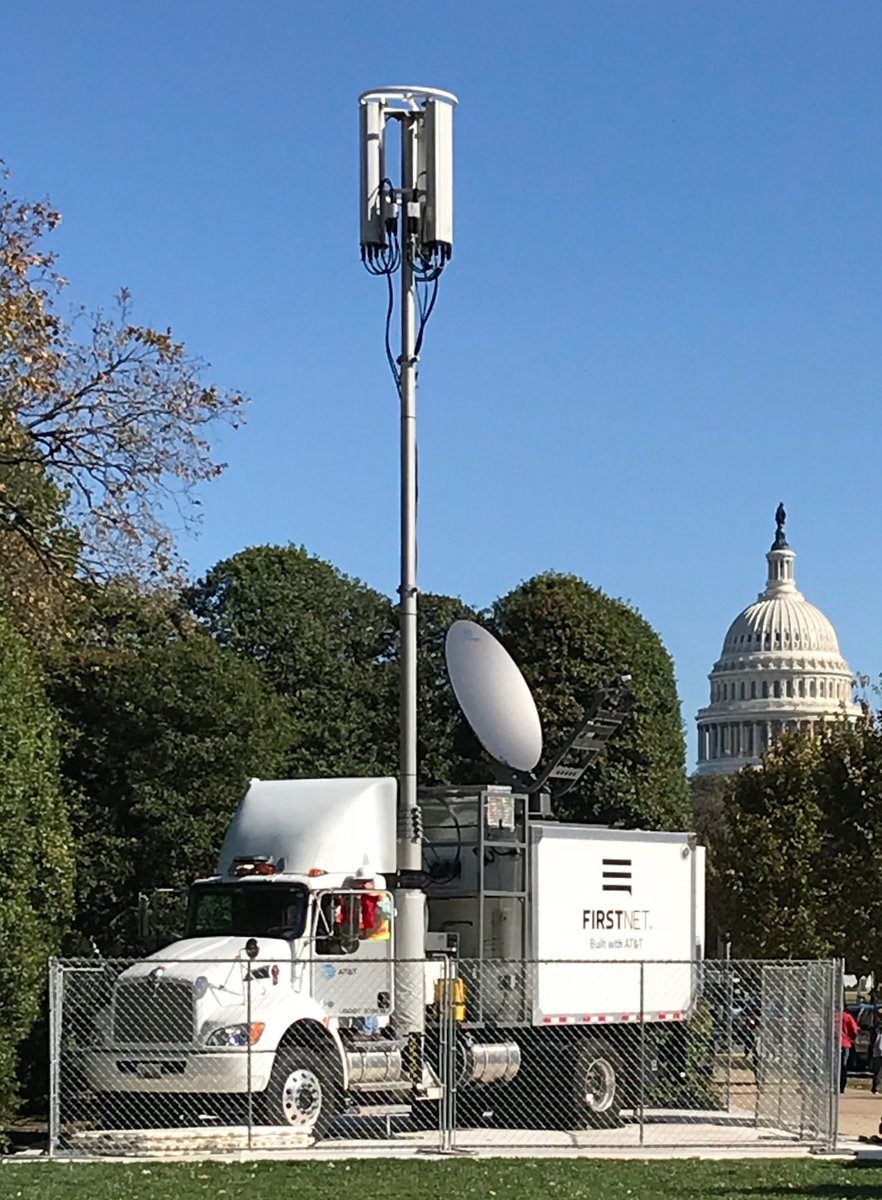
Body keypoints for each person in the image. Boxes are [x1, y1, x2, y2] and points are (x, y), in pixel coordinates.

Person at [840, 1008, 860, 1094]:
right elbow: (854, 1030)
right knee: (843, 1066)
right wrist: (852, 1038)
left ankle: (832, 1084)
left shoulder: (830, 1016)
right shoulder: (847, 1017)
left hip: (832, 1044)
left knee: (832, 1066)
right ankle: (841, 1086)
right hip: (844, 1043)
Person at [870, 1020, 882, 1095]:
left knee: (877, 1071)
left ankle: (876, 1087)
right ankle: (875, 1088)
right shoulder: (876, 1030)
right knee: (877, 1071)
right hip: (877, 1052)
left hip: (876, 1052)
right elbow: (872, 1041)